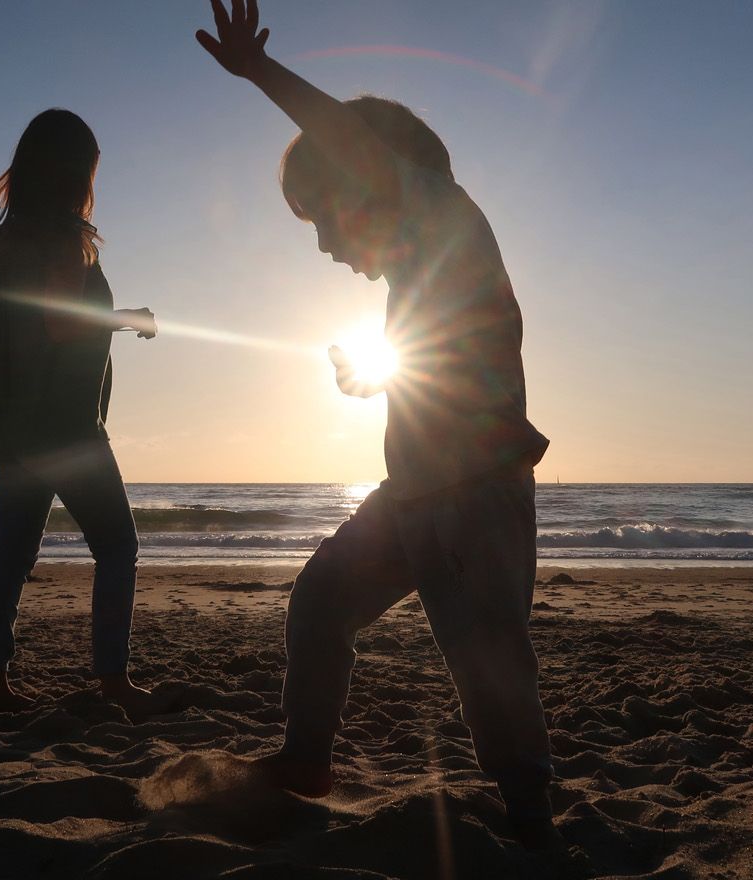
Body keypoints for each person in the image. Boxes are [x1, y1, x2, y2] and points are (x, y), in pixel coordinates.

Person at [196, 0, 558, 848]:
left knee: (487, 658)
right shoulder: (418, 278)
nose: (324, 243)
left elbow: (354, 144)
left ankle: (533, 817)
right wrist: (372, 375)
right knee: (320, 601)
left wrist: (261, 74)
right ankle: (306, 760)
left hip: (477, 494)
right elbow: (432, 365)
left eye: (325, 216)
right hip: (413, 496)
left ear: (372, 182)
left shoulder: (450, 221)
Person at [0, 108, 159, 714]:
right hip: (64, 425)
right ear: (77, 174)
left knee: (14, 555)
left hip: (6, 423)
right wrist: (128, 318)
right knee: (118, 547)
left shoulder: (6, 237)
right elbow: (58, 323)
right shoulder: (65, 239)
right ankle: (113, 681)